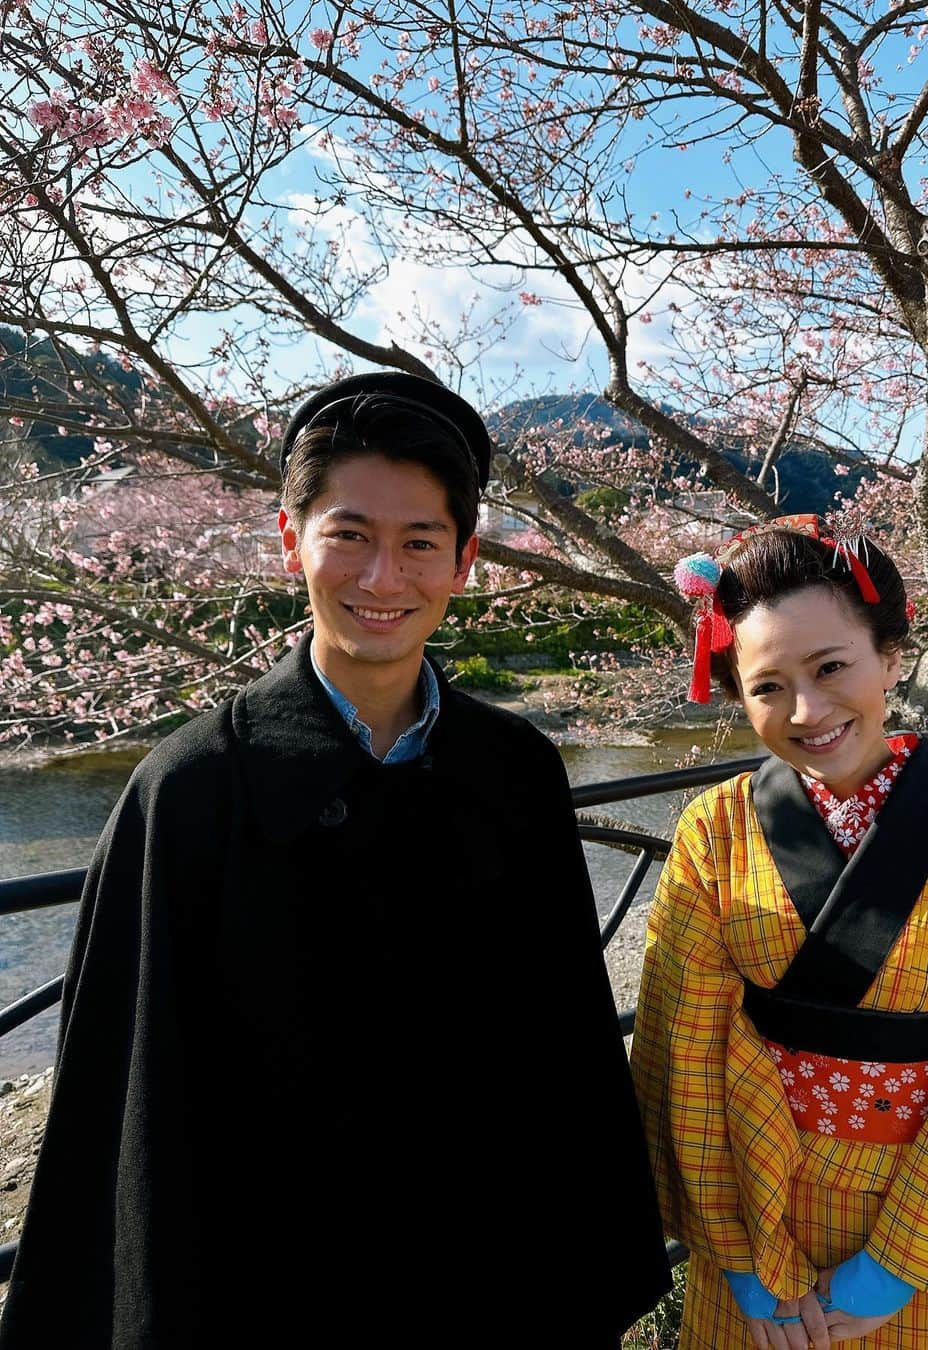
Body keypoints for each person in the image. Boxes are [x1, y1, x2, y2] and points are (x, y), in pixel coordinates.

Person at [0, 372, 671, 1349]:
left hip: (486, 1291)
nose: (382, 578)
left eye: (420, 544)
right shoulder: (188, 790)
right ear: (290, 541)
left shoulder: (515, 772)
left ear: (465, 559)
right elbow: (134, 1113)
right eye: (349, 535)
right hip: (263, 1301)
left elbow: (563, 1060)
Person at [631, 514, 928, 1350]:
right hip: (759, 1212)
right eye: (767, 687)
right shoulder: (713, 832)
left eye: (832, 666)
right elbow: (682, 1048)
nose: (807, 709)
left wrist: (890, 1273)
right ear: (737, 695)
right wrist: (741, 1267)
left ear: (891, 659)